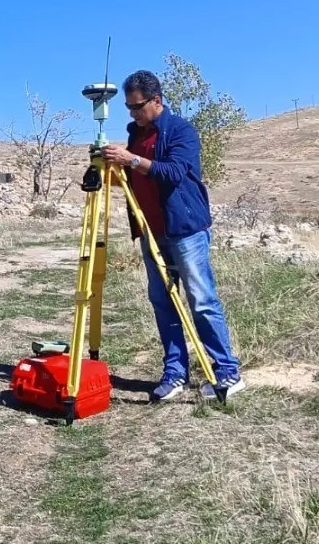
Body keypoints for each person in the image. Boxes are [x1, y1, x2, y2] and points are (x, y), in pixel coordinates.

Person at [99, 70, 244, 401]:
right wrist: (116, 168)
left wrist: (131, 159)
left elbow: (173, 172)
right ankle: (175, 373)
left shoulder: (181, 131)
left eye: (136, 107)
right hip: (151, 233)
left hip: (185, 232)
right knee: (163, 303)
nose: (132, 113)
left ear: (156, 101)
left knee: (201, 301)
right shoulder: (136, 133)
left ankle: (227, 373)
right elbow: (139, 177)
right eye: (129, 107)